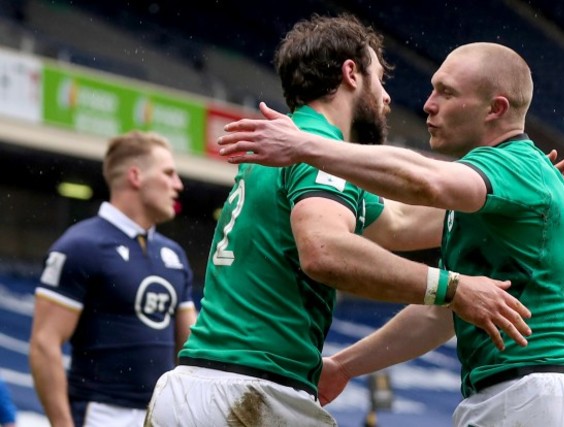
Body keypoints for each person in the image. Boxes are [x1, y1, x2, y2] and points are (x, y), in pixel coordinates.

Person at [144, 16, 536, 427]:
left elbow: (401, 221)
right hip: (250, 388)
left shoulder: (296, 146)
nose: (387, 99)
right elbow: (324, 250)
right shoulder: (319, 154)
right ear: (351, 74)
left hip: (201, 383)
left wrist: (518, 192)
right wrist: (451, 288)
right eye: (380, 80)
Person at [217, 42, 564, 426]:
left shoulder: (514, 165)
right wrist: (344, 366)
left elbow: (425, 182)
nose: (428, 104)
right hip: (520, 395)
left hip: (529, 396)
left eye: (447, 93)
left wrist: (305, 146)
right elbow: (437, 301)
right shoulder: (504, 189)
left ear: (496, 109)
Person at [29, 130, 197, 427]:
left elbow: (191, 346)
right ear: (136, 176)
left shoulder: (174, 254)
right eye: (169, 173)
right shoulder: (81, 245)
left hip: (160, 414)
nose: (178, 185)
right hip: (100, 413)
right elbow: (44, 344)